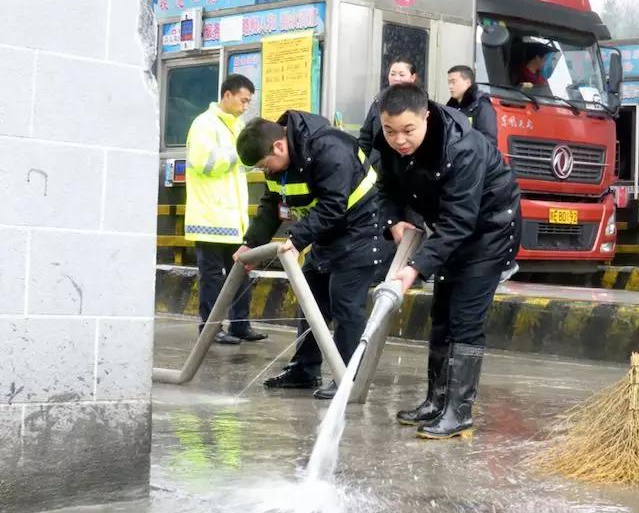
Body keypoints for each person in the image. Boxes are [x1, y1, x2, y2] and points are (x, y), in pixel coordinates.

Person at [374, 83, 522, 439]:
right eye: (390, 131)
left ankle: (459, 412)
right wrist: (394, 222)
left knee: (465, 318)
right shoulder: (389, 144)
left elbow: (461, 221)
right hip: (447, 229)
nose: (400, 140)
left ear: (426, 116)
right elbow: (386, 190)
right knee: (441, 316)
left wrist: (414, 269)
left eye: (408, 130)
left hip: (489, 231)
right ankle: (435, 400)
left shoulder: (462, 148)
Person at [234, 111, 382, 398]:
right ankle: (305, 369)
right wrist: (251, 244)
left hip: (364, 228)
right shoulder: (279, 166)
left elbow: (332, 204)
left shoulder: (329, 147)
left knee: (345, 302)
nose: (266, 172)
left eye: (265, 165)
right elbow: (272, 204)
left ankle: (347, 377)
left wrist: (297, 238)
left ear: (278, 146)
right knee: (309, 294)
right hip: (329, 233)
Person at [185, 74, 267, 345]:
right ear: (227, 95)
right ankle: (209, 329)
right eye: (243, 100)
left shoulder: (237, 125)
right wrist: (238, 154)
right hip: (209, 217)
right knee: (212, 277)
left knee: (241, 272)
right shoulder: (204, 124)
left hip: (233, 218)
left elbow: (241, 166)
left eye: (249, 102)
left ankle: (240, 325)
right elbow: (204, 163)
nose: (245, 106)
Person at [357, 57, 418, 158]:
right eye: (392, 74)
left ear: (412, 77)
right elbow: (365, 138)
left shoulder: (419, 104)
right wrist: (362, 165)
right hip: (376, 167)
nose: (396, 78)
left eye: (401, 75)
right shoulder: (378, 104)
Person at [446, 65, 498, 146]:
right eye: (449, 83)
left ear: (468, 82)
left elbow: (488, 142)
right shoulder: (451, 108)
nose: (450, 86)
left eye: (453, 82)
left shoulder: (481, 106)